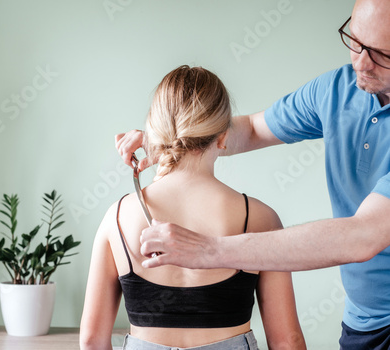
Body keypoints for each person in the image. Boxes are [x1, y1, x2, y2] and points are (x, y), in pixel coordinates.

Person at [115, 0, 390, 349]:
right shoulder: (336, 89)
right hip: (362, 321)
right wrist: (170, 138)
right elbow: (255, 129)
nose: (361, 63)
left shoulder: (117, 218)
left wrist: (209, 250)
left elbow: (362, 236)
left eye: (381, 54)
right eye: (356, 41)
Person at [80, 66, 306, 350]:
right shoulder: (259, 218)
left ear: (154, 130)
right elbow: (287, 341)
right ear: (223, 137)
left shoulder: (117, 217)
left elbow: (91, 340)